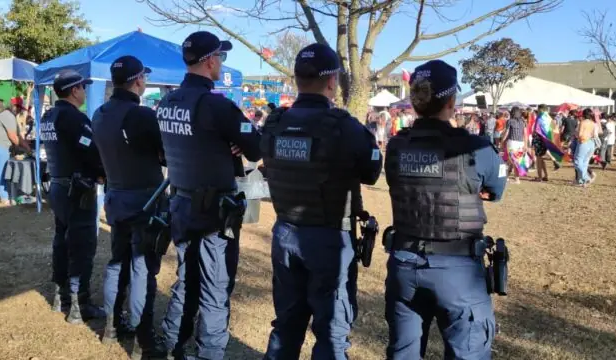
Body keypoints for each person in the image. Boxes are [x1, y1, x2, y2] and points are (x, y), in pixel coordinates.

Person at [259, 43, 382, 359]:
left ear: (298, 79)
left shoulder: (275, 122)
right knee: (331, 333)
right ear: (332, 81)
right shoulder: (343, 126)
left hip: (285, 232)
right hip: (327, 237)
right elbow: (371, 173)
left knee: (286, 325)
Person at [383, 59, 507, 360]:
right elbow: (495, 191)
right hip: (459, 272)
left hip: (404, 266)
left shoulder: (397, 146)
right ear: (452, 101)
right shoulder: (476, 148)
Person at [154, 31, 262, 360]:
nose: (222, 64)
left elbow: (165, 154)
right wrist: (230, 142)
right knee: (215, 290)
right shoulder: (217, 104)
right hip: (215, 211)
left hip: (182, 203)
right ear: (211, 61)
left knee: (187, 279)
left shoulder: (167, 102)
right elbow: (255, 148)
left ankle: (171, 344)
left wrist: (219, 143)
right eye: (221, 58)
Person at [91, 56, 167, 358]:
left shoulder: (99, 113)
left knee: (117, 262)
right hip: (144, 199)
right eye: (144, 78)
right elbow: (164, 154)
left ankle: (111, 326)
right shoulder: (141, 115)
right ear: (138, 81)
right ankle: (142, 339)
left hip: (115, 196)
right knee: (142, 269)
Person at [38, 69, 106, 324]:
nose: (85, 92)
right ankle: (79, 305)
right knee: (82, 247)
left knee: (61, 242)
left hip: (58, 186)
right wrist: (102, 173)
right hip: (77, 190)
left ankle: (61, 296)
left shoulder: (49, 116)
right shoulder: (74, 118)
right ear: (75, 90)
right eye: (83, 88)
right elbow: (92, 150)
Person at [0, 99, 32, 205]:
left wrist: (27, 148)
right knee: (1, 172)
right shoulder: (8, 116)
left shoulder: (11, 117)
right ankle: (4, 198)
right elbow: (13, 137)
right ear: (13, 106)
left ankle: (10, 195)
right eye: (18, 108)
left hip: (0, 145)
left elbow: (19, 136)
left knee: (4, 171)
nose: (20, 111)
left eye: (21, 109)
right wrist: (25, 149)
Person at [574, 108, 600, 186]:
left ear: (583, 114)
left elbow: (580, 134)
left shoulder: (583, 122)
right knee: (585, 162)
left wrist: (576, 136)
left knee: (577, 161)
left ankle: (586, 178)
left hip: (583, 142)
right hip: (591, 143)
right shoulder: (592, 123)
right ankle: (582, 181)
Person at [502, 106, 527, 184]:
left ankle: (510, 178)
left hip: (512, 142)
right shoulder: (523, 122)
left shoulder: (509, 121)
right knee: (516, 161)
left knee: (510, 160)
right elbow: (525, 134)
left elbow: (506, 133)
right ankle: (514, 178)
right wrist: (526, 145)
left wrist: (502, 141)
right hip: (521, 143)